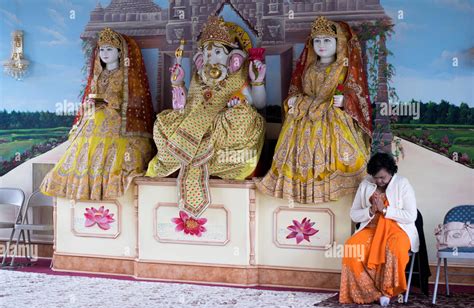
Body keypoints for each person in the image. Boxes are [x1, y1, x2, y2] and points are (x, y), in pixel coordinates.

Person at [146, 16, 266, 217]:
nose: (212, 58)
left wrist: (257, 83)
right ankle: (184, 157)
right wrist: (178, 85)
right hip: (192, 124)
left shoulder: (239, 76)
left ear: (233, 58)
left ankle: (202, 159)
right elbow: (181, 108)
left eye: (218, 52)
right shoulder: (197, 78)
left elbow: (259, 104)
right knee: (162, 123)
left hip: (222, 130)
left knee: (244, 116)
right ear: (201, 59)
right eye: (208, 54)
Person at [256, 16, 372, 203]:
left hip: (333, 116)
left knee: (347, 158)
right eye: (317, 40)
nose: (321, 45)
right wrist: (293, 101)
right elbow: (301, 90)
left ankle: (332, 190)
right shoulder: (309, 67)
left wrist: (346, 100)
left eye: (327, 40)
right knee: (295, 160)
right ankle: (301, 191)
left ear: (338, 43)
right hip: (304, 116)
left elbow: (357, 93)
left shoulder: (343, 67)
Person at [40, 27, 154, 200]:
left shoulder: (127, 75)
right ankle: (81, 190)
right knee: (81, 155)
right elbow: (90, 97)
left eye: (109, 49)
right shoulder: (97, 76)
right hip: (93, 120)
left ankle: (107, 190)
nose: (105, 53)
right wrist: (90, 103)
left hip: (117, 122)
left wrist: (109, 101)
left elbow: (135, 102)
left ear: (119, 51)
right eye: (102, 49)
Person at [339, 152, 419, 306]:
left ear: (391, 172)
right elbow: (354, 214)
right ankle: (369, 292)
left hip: (398, 228)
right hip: (371, 228)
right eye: (376, 177)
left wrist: (384, 210)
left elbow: (411, 215)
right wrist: (370, 211)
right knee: (351, 247)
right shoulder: (365, 184)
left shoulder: (402, 183)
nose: (379, 181)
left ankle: (387, 291)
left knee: (393, 248)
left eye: (383, 177)